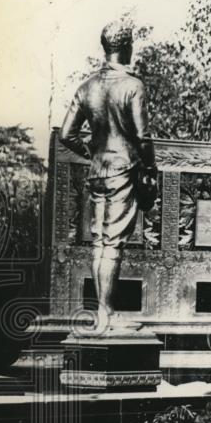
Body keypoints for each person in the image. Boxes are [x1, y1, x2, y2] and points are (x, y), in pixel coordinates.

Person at [59, 18, 156, 332]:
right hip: (123, 169)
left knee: (100, 243)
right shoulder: (132, 85)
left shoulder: (87, 86)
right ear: (126, 48)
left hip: (98, 171)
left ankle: (103, 312)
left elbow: (66, 135)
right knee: (112, 245)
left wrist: (91, 152)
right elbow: (143, 137)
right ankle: (106, 314)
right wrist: (151, 169)